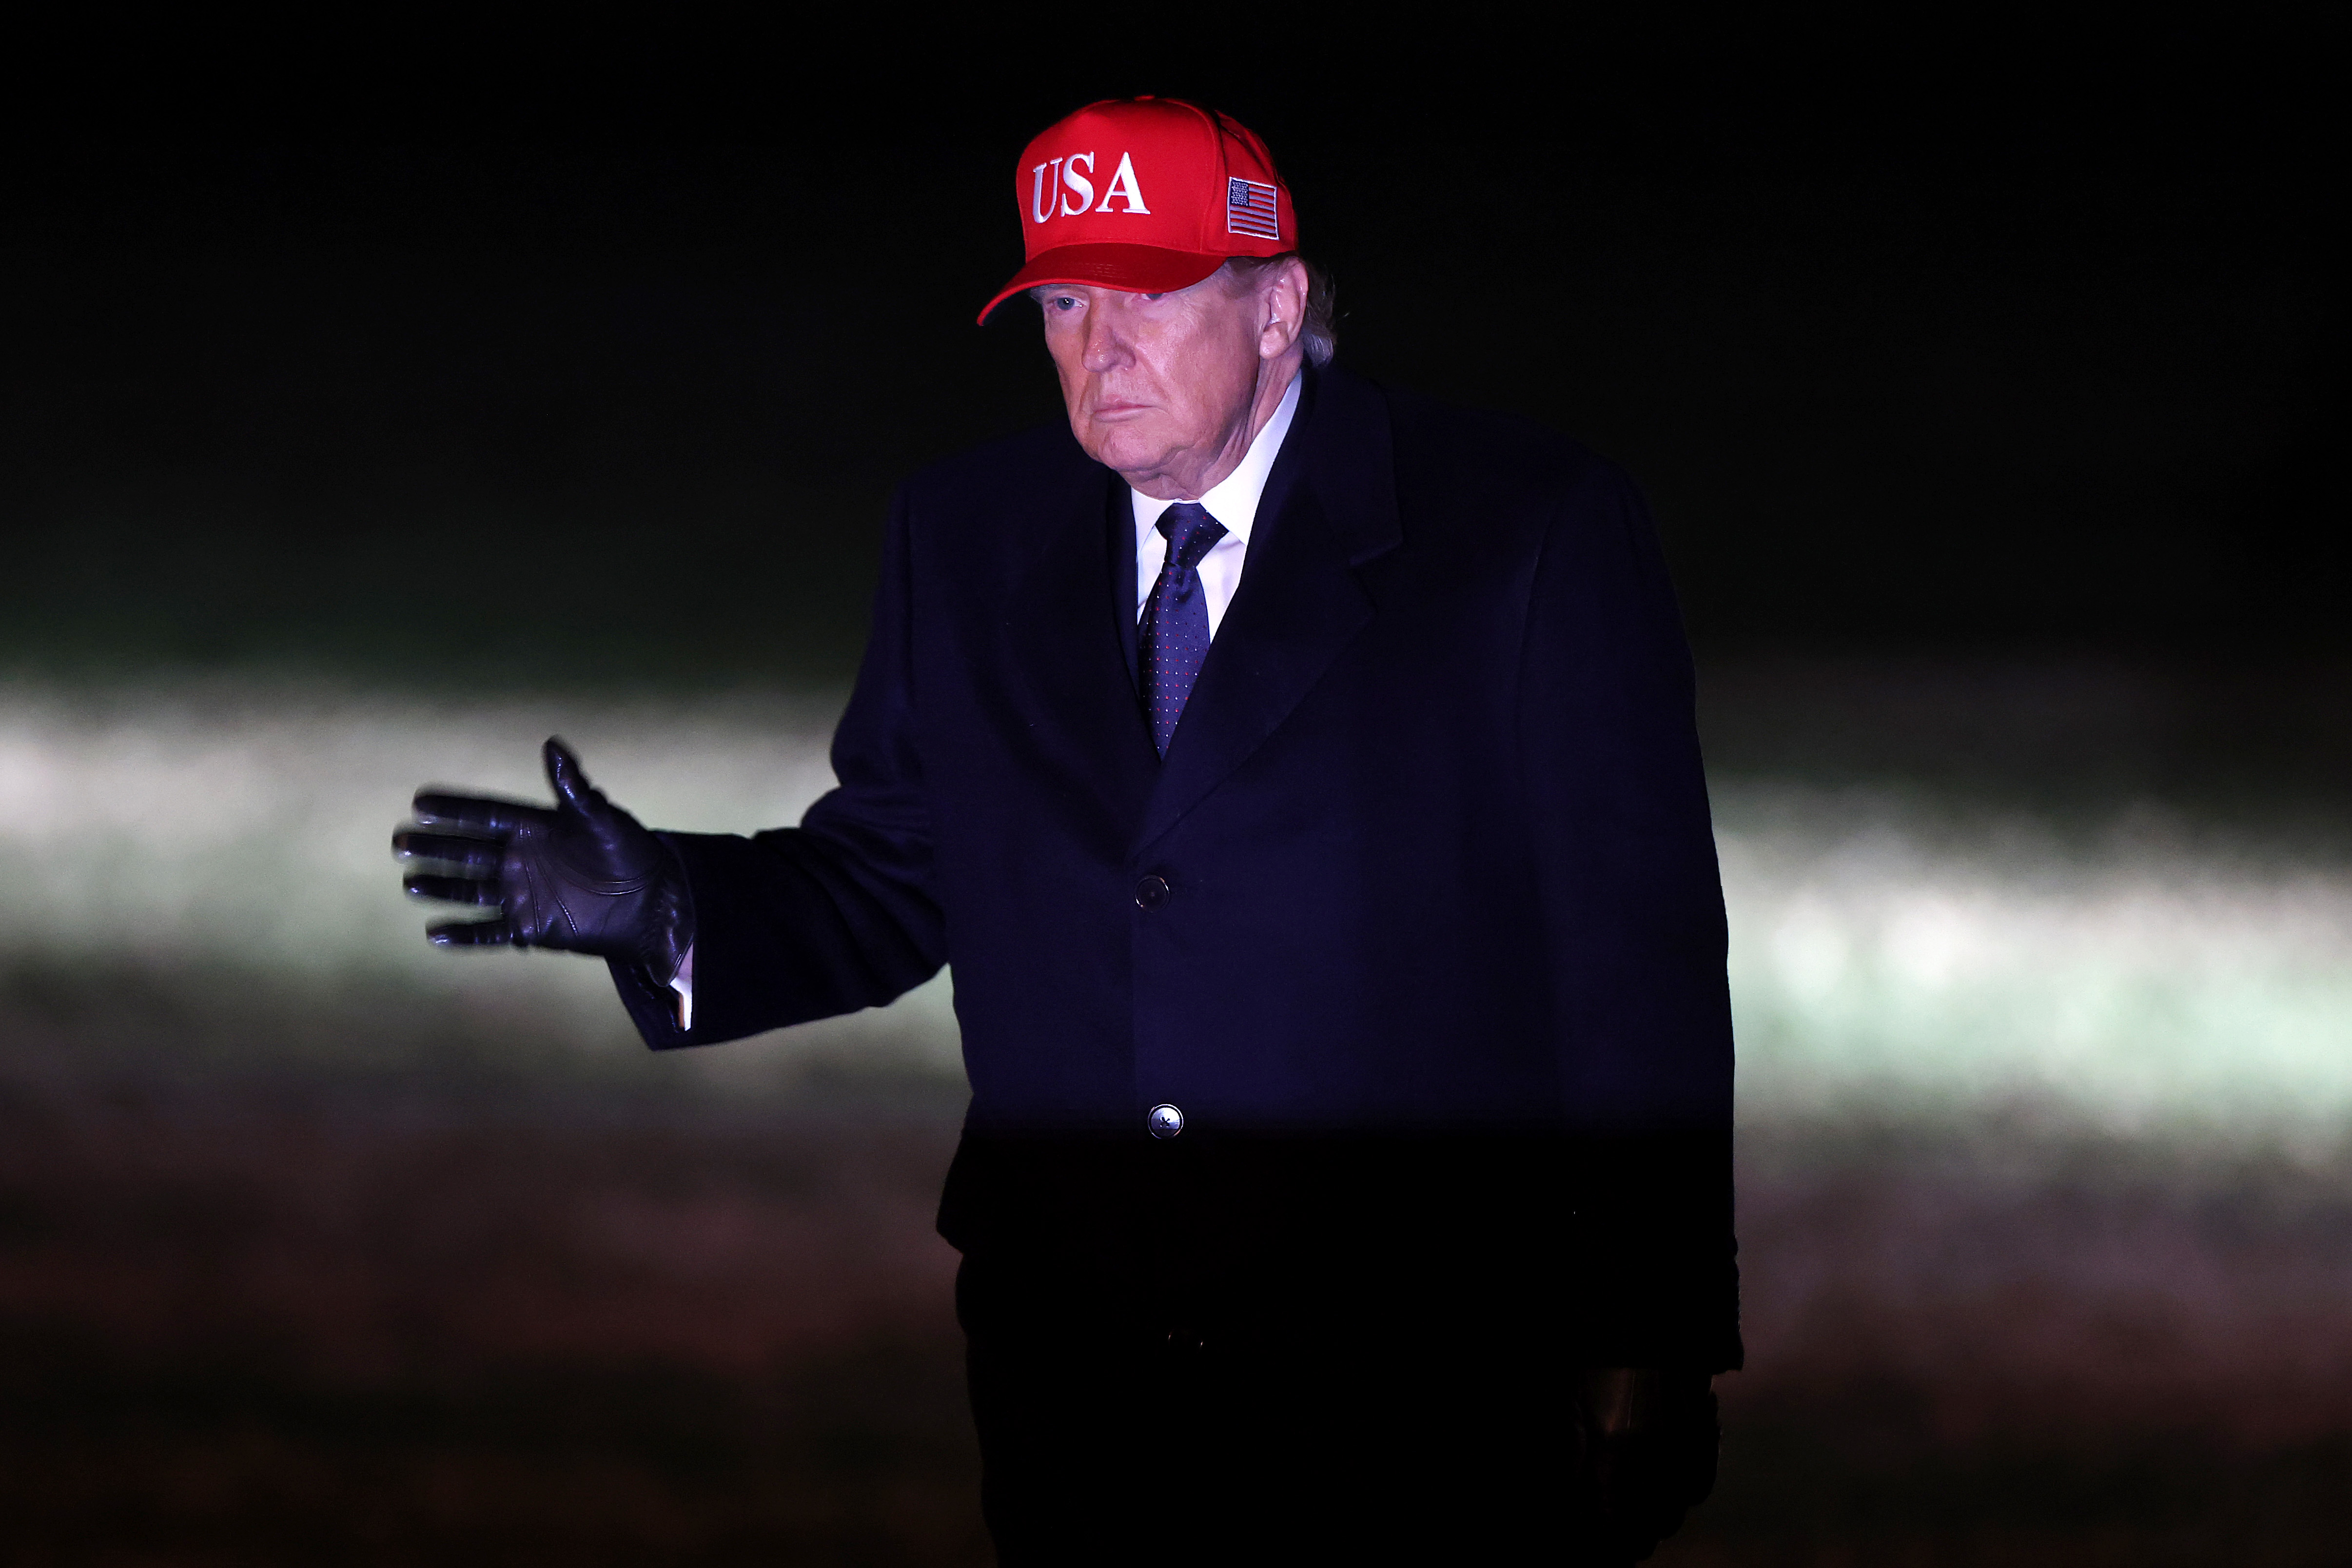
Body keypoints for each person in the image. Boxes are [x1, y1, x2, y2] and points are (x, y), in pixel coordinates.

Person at [394, 96, 1738, 1564]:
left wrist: (1644, 1332)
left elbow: (1635, 961)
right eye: (1063, 304)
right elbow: (898, 869)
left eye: (1148, 300)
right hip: (1081, 1381)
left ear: (1280, 304)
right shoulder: (966, 537)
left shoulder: (1525, 534)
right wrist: (671, 909)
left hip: (1418, 1385)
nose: (1098, 353)